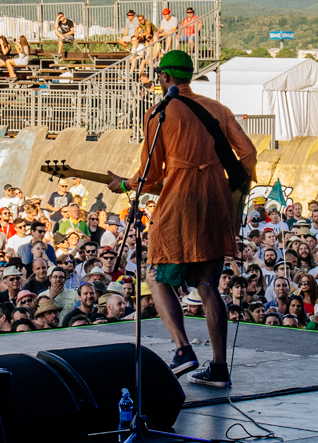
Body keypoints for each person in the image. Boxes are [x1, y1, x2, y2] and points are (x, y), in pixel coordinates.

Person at [101, 48, 258, 386]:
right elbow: (248, 152)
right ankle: (218, 367)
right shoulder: (218, 109)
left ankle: (184, 350)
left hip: (180, 201)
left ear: (166, 77)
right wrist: (233, 190)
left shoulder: (160, 112)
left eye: (159, 75)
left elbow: (149, 173)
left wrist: (123, 184)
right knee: (207, 285)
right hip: (216, 201)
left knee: (156, 274)